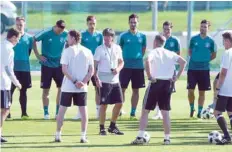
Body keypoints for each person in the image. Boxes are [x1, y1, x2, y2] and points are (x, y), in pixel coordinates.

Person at [131, 35, 186, 145]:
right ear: (164, 43)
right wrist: (177, 77)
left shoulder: (153, 52)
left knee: (145, 111)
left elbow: (147, 60)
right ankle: (167, 139)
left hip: (155, 83)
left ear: (155, 42)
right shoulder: (170, 53)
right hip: (167, 84)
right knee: (165, 113)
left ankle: (140, 137)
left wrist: (150, 76)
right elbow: (183, 62)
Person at [55, 30, 94, 143]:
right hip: (82, 87)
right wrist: (83, 82)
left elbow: (64, 70)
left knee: (62, 110)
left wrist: (75, 81)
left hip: (68, 86)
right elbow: (91, 71)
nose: (67, 40)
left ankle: (58, 135)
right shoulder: (88, 51)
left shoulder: (67, 51)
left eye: (68, 37)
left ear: (73, 38)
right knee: (83, 111)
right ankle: (83, 136)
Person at [33, 20, 68, 119]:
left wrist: (65, 56)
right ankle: (46, 113)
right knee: (46, 90)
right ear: (56, 26)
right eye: (59, 30)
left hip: (59, 66)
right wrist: (38, 55)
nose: (61, 32)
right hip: (46, 65)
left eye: (62, 30)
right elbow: (33, 39)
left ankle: (58, 112)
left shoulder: (66, 33)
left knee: (61, 89)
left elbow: (71, 43)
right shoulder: (46, 32)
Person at [94, 28, 124, 135]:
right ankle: (102, 127)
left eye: (108, 36)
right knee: (104, 104)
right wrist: (96, 78)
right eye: (105, 36)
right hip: (103, 80)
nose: (106, 38)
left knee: (120, 103)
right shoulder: (99, 49)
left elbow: (121, 62)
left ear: (112, 37)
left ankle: (112, 126)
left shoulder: (117, 48)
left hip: (115, 80)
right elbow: (95, 66)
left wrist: (118, 69)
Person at [73, 15, 103, 120]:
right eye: (90, 24)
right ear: (87, 24)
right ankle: (79, 113)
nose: (92, 26)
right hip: (84, 65)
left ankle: (99, 112)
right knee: (82, 88)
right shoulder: (83, 35)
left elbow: (101, 49)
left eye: (94, 23)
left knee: (98, 88)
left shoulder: (99, 36)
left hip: (95, 65)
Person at [119, 14, 146, 119]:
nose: (133, 24)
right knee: (122, 89)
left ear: (138, 23)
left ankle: (133, 112)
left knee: (136, 90)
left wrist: (137, 58)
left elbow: (143, 50)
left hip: (138, 67)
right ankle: (120, 109)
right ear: (128, 23)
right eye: (131, 22)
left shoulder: (142, 36)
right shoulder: (123, 36)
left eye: (135, 22)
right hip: (125, 67)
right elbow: (119, 49)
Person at [187, 20, 217, 118]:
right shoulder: (194, 39)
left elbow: (214, 54)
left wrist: (205, 60)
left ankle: (199, 112)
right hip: (192, 69)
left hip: (204, 69)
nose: (202, 28)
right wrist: (196, 59)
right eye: (201, 26)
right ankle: (192, 108)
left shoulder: (211, 41)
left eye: (204, 27)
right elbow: (190, 51)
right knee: (190, 90)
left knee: (202, 92)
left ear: (208, 28)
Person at [153, 21, 181, 120]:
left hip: (170, 70)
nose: (166, 31)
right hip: (159, 69)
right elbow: (154, 51)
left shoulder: (175, 40)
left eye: (168, 29)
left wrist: (175, 70)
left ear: (171, 29)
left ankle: (165, 111)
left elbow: (178, 55)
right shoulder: (159, 39)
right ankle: (157, 112)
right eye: (165, 29)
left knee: (168, 91)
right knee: (156, 90)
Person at [8, 17, 33, 119]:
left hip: (25, 69)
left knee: (23, 91)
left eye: (21, 24)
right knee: (10, 91)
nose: (19, 26)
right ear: (15, 24)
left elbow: (29, 52)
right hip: (13, 68)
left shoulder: (29, 38)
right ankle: (7, 112)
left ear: (24, 25)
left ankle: (24, 113)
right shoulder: (11, 38)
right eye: (17, 24)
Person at [1, 28, 21, 143]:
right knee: (5, 109)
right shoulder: (9, 49)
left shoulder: (1, 45)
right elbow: (8, 69)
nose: (18, 41)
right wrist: (16, 83)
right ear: (13, 37)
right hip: (3, 83)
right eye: (17, 38)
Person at [213, 32, 232, 145]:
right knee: (230, 112)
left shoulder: (227, 53)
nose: (223, 43)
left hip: (225, 89)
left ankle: (227, 136)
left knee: (217, 112)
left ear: (228, 41)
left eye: (224, 41)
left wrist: (218, 88)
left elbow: (223, 73)